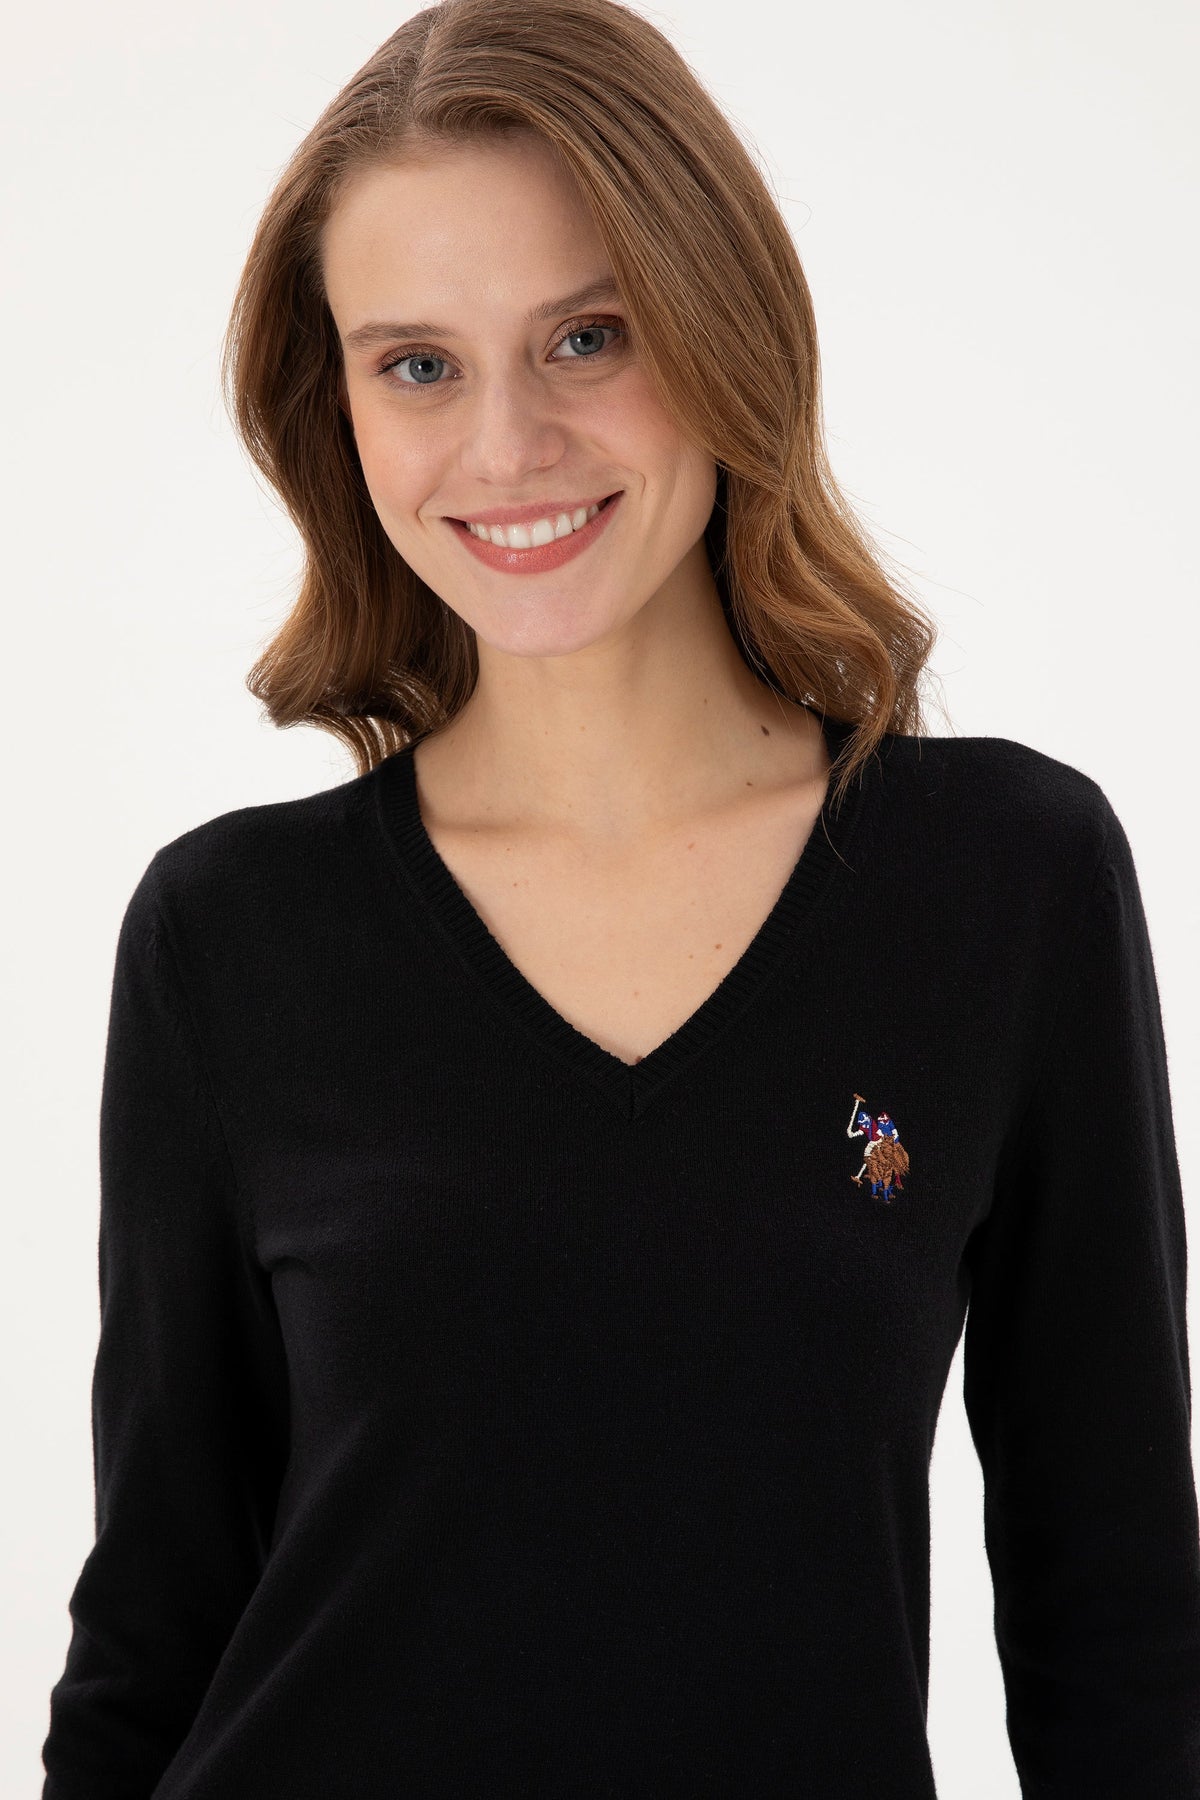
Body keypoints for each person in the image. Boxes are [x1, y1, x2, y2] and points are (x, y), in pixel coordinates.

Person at [41, 0, 1200, 1794]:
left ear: (723, 327)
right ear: (337, 407)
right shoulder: (228, 936)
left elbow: (1120, 1628)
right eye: (416, 365)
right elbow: (155, 1623)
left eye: (588, 336)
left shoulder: (1005, 880)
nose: (506, 444)